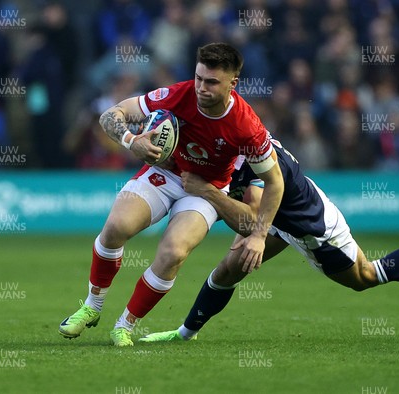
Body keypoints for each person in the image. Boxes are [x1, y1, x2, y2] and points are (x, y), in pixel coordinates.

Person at [138, 138, 399, 343]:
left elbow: (252, 211)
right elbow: (253, 212)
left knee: (367, 276)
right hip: (276, 218)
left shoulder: (252, 158)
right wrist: (247, 234)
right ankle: (185, 334)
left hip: (312, 227)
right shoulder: (237, 146)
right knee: (228, 271)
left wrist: (215, 201)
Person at [58, 43, 285, 346]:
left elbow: (275, 182)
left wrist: (259, 235)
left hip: (206, 190)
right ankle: (91, 307)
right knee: (115, 228)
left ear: (233, 84)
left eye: (212, 82)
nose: (202, 88)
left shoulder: (246, 126)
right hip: (165, 173)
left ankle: (124, 325)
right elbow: (111, 115)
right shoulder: (179, 94)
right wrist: (132, 141)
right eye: (198, 78)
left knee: (173, 253)